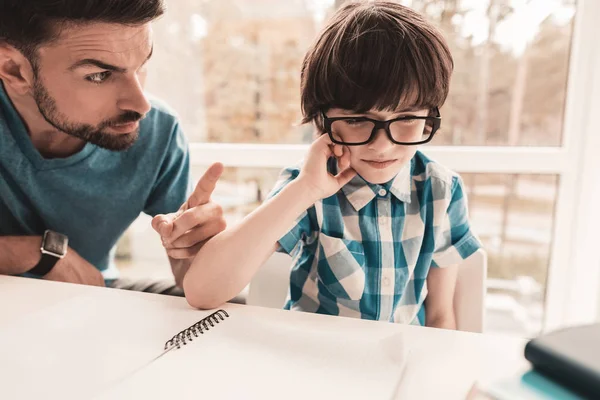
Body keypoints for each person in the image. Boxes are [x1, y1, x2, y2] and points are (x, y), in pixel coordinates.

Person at [183, 1, 482, 328]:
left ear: (429, 117)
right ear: (324, 122)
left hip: (395, 363)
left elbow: (440, 314)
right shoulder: (308, 186)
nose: (382, 144)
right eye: (357, 120)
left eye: (407, 117)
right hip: (314, 363)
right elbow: (202, 292)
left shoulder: (442, 190)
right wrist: (305, 190)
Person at [0, 0, 226, 296]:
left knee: (239, 306)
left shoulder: (160, 131)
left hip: (95, 292)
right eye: (99, 75)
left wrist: (200, 248)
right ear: (14, 69)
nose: (141, 104)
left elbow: (193, 281)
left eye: (142, 66)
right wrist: (38, 253)